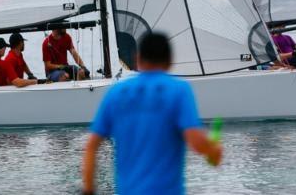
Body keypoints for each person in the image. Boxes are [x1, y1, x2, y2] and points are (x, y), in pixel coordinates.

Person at [82, 33, 222, 195]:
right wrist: (214, 150)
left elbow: (92, 146)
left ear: (138, 58)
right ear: (169, 60)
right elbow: (195, 141)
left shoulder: (116, 93)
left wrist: (89, 189)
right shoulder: (179, 90)